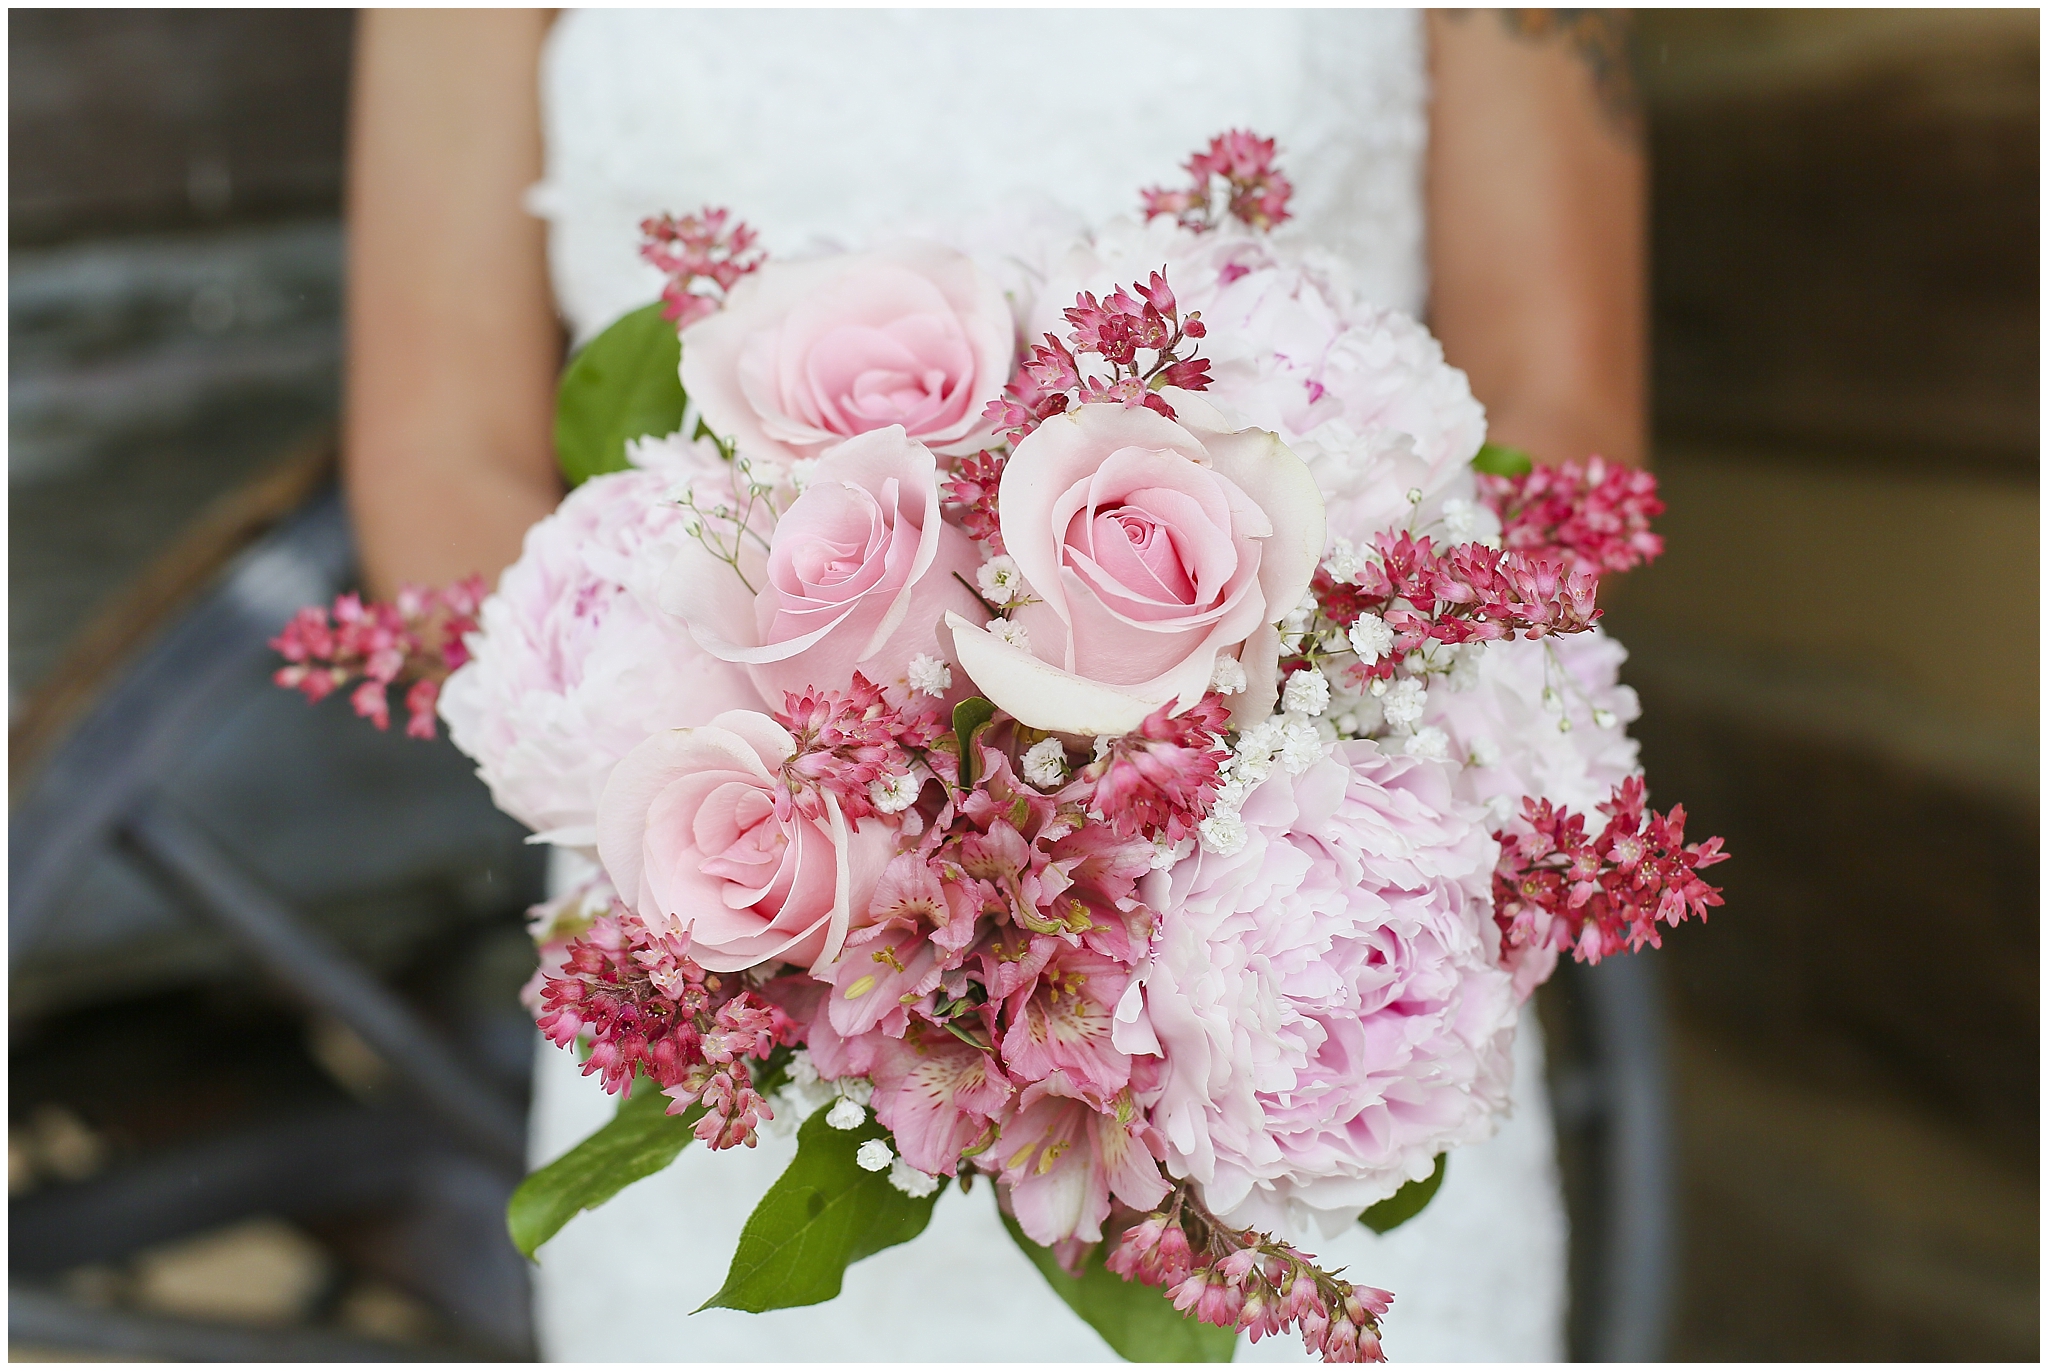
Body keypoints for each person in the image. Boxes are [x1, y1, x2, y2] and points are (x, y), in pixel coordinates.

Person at [344, 10, 1645, 1360]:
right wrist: (820, 839)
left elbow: (1562, 414)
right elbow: (441, 449)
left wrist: (1215, 782)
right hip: (733, 957)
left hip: (1315, 992)